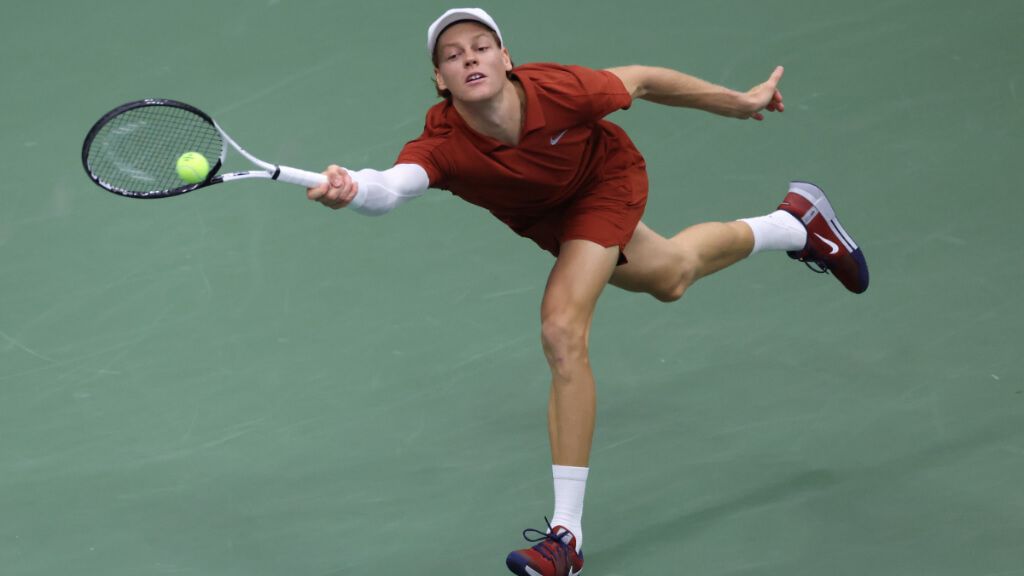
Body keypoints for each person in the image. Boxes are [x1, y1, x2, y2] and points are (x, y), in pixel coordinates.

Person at [306, 7, 869, 576]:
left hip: (604, 182)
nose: (469, 57)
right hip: (549, 217)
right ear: (440, 80)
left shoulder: (560, 90)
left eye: (481, 46)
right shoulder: (445, 142)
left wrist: (738, 102)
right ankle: (796, 223)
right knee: (671, 276)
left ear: (506, 59)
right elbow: (393, 186)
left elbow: (643, 79)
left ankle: (565, 537)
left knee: (561, 328)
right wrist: (352, 189)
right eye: (452, 55)